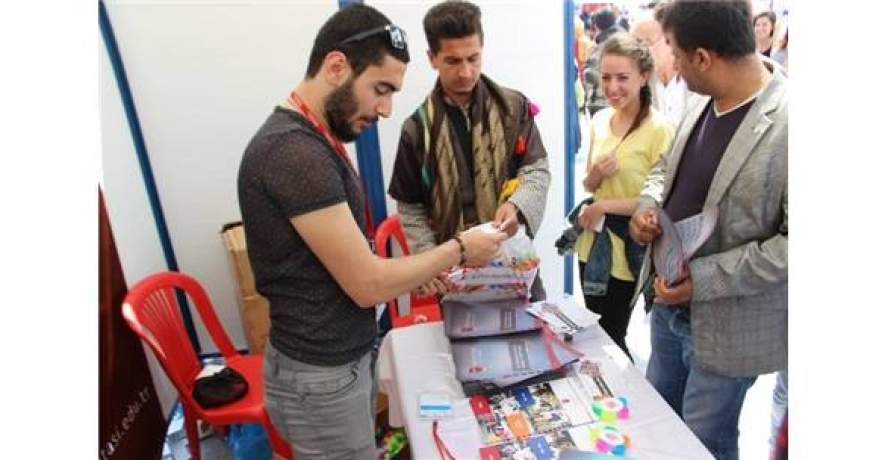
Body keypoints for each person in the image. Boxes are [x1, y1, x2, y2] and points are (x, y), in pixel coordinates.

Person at [237, 5, 508, 458]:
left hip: (335, 363)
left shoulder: (314, 141)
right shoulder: (294, 154)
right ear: (337, 66)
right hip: (321, 376)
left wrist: (411, 270)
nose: (384, 109)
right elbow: (366, 284)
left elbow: (347, 262)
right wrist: (458, 248)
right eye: (380, 90)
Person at [628, 1, 787, 459]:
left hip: (727, 327)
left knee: (703, 443)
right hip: (666, 307)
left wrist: (705, 279)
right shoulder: (701, 99)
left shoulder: (790, 122)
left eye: (675, 53)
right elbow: (665, 167)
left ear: (703, 57)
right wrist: (648, 205)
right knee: (659, 424)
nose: (671, 65)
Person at [388, 0, 551, 299]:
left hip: (514, 262)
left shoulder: (513, 109)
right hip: (455, 273)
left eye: (473, 58)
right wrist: (429, 261)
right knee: (464, 344)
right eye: (453, 61)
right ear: (432, 58)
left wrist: (517, 206)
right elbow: (410, 207)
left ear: (482, 50)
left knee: (529, 338)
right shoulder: (416, 130)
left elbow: (536, 170)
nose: (466, 72)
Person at [574, 33, 674, 359]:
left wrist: (605, 205)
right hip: (593, 241)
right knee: (593, 329)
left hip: (630, 242)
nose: (612, 87)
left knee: (612, 333)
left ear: (644, 77)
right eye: (606, 77)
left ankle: (625, 400)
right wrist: (597, 175)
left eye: (622, 77)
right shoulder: (600, 120)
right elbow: (589, 185)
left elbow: (659, 197)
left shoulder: (660, 129)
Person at [631, 7, 693, 127]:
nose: (640, 53)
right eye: (634, 46)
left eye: (646, 43)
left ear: (669, 40)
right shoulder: (640, 83)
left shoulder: (694, 77)